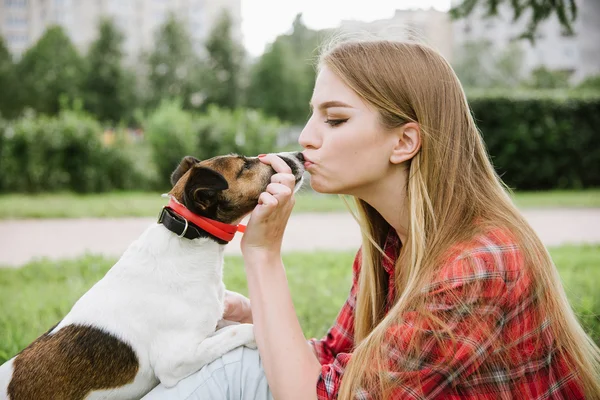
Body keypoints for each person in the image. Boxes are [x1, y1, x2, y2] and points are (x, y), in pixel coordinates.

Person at [143, 37, 600, 400]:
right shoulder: (391, 247)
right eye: (311, 116)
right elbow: (335, 361)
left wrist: (262, 256)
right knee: (232, 364)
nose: (306, 138)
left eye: (335, 120)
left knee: (232, 373)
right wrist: (256, 317)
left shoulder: (475, 268)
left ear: (404, 142)